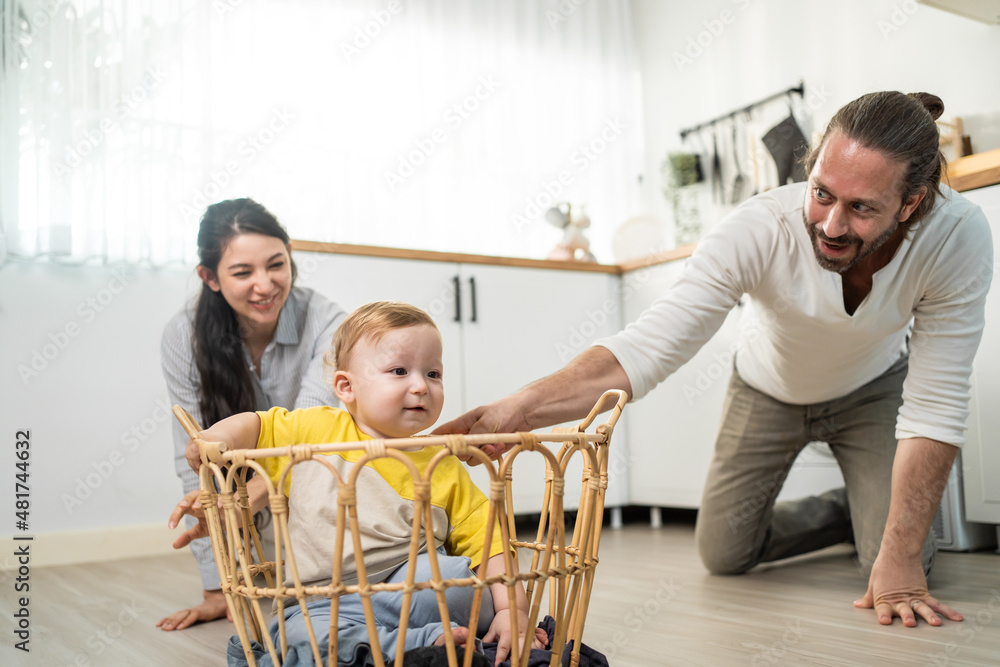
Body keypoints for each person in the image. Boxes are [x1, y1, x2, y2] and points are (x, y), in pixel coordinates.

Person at [435, 91, 993, 629]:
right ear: (811, 166)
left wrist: (896, 557)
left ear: (912, 201)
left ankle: (880, 517)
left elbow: (935, 403)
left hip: (872, 387)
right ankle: (849, 507)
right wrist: (522, 408)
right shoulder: (758, 228)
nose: (830, 225)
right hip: (766, 387)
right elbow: (649, 345)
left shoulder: (957, 235)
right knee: (724, 552)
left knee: (901, 570)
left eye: (862, 208)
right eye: (821, 192)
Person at [180, 301, 547, 666]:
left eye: (433, 374)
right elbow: (259, 424)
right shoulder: (315, 430)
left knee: (459, 581)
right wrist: (215, 437)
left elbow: (490, 544)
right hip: (322, 603)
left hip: (408, 594)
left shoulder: (443, 463)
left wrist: (511, 610)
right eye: (400, 370)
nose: (421, 386)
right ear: (346, 387)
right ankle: (420, 644)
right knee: (295, 634)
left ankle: (405, 646)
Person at [159, 198, 347, 631]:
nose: (265, 285)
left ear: (290, 256)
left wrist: (258, 494)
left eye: (275, 264)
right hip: (245, 504)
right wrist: (214, 588)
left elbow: (309, 433)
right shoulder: (183, 335)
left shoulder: (328, 322)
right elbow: (191, 454)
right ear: (209, 277)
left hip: (317, 481)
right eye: (243, 272)